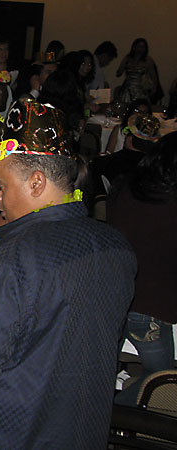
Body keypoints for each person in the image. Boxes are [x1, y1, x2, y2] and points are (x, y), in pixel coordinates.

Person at [0, 98, 137, 449]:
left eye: (1, 185)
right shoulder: (116, 246)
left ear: (36, 183)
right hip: (86, 431)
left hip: (12, 436)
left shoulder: (6, 262)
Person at [107, 132, 177, 406]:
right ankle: (112, 412)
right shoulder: (170, 203)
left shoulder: (126, 186)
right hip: (149, 305)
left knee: (102, 370)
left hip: (114, 293)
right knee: (162, 383)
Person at [117, 38, 160, 104]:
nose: (141, 49)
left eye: (143, 47)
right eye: (139, 46)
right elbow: (119, 73)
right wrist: (123, 67)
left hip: (141, 89)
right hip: (128, 89)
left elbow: (153, 77)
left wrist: (154, 89)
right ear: (134, 47)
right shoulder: (127, 58)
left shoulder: (148, 60)